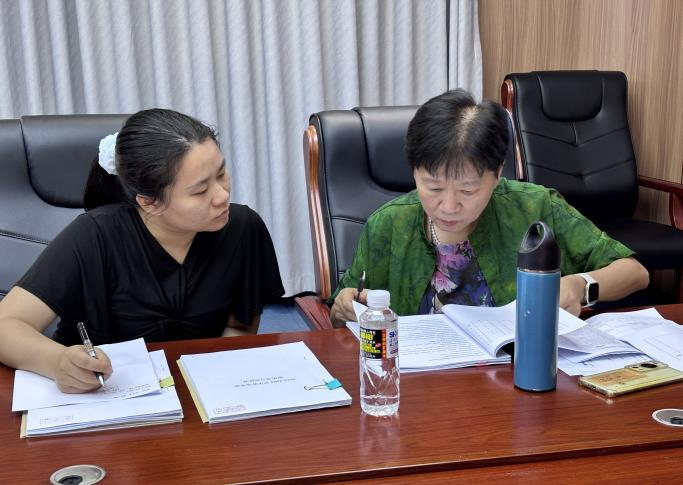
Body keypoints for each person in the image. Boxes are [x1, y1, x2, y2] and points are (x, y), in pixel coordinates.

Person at [0, 108, 284, 392]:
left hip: (198, 395)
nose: (222, 195)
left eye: (221, 173)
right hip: (103, 397)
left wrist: (213, 384)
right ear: (148, 202)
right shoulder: (94, 235)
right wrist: (57, 362)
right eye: (200, 191)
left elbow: (240, 327)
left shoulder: (242, 228)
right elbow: (6, 325)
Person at [330, 89, 649, 326]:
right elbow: (338, 311)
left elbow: (635, 273)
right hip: (417, 384)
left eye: (467, 189)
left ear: (497, 174)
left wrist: (580, 286)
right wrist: (344, 307)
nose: (449, 206)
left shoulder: (534, 207)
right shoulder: (388, 225)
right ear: (414, 172)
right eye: (433, 187)